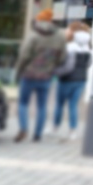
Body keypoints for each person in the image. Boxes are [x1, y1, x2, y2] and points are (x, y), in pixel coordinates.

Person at [13, 9, 66, 142]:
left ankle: (24, 128)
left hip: (29, 75)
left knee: (23, 103)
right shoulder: (60, 37)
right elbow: (62, 58)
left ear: (39, 20)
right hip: (46, 77)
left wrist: (18, 72)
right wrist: (52, 67)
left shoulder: (33, 35)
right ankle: (37, 134)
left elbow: (24, 56)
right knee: (42, 106)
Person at [50, 21, 92, 141]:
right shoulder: (87, 49)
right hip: (81, 81)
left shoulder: (70, 47)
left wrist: (55, 72)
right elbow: (89, 64)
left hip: (66, 81)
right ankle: (73, 131)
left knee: (59, 105)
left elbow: (68, 67)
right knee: (73, 106)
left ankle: (55, 128)